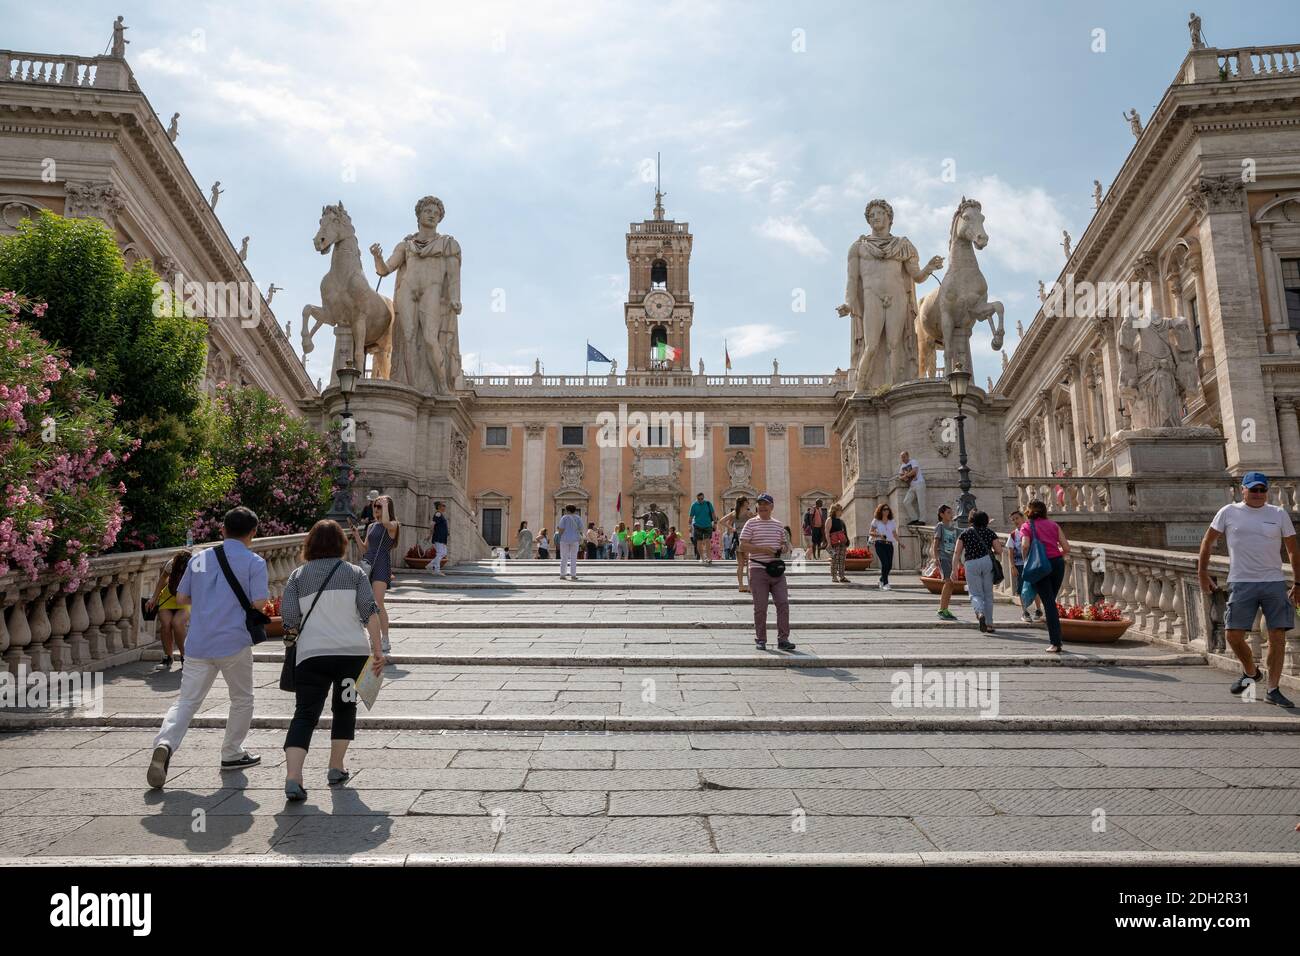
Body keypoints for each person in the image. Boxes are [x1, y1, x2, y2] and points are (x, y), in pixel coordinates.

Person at [147, 507, 265, 789]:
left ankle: (165, 743)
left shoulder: (199, 559)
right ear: (253, 533)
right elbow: (259, 604)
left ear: (222, 530)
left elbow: (183, 596)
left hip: (198, 642)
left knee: (186, 701)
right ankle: (232, 753)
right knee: (242, 698)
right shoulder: (254, 562)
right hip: (233, 641)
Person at [280, 520, 385, 802]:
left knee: (304, 714)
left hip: (311, 655)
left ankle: (294, 777)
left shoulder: (298, 576)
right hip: (352, 655)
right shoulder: (354, 573)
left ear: (309, 545)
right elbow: (370, 612)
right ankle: (336, 768)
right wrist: (378, 650)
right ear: (342, 544)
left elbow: (289, 618)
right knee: (345, 707)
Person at [1198, 472, 1298, 707]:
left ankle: (1273, 689)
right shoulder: (1228, 512)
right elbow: (1208, 541)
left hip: (1274, 582)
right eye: (1253, 490)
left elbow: (1293, 549)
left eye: (1262, 490)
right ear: (1242, 490)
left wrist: (1298, 582)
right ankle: (1252, 672)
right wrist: (1202, 572)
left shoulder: (1278, 513)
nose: (1258, 494)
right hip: (1241, 582)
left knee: (1277, 636)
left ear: (1267, 491)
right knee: (1232, 634)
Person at [739, 493, 795, 651]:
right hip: (757, 569)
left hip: (776, 570)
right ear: (757, 507)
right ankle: (761, 639)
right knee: (760, 606)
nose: (762, 506)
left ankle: (783, 639)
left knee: (783, 603)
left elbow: (785, 545)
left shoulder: (778, 525)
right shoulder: (750, 524)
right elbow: (743, 545)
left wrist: (782, 548)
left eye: (766, 504)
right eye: (760, 504)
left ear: (772, 506)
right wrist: (763, 549)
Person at [1020, 499, 1070, 653]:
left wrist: (1025, 560)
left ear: (1029, 511)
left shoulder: (1027, 526)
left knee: (1048, 604)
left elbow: (1025, 545)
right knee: (1050, 602)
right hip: (1057, 563)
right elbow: (1066, 547)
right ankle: (1056, 639)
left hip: (1039, 565)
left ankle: (1056, 642)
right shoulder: (1053, 525)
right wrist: (1056, 555)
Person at [353, 495, 398, 654]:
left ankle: (385, 639)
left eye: (379, 506)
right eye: (375, 506)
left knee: (378, 603)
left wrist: (385, 504)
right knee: (368, 603)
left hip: (381, 564)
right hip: (368, 563)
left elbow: (386, 523)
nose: (376, 509)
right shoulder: (371, 527)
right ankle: (374, 638)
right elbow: (365, 549)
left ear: (387, 508)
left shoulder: (393, 525)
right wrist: (357, 535)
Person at [952, 510, 1003, 633]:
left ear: (971, 520)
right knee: (988, 595)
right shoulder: (990, 532)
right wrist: (991, 552)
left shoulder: (965, 533)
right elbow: (999, 550)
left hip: (971, 563)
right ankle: (989, 624)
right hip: (986, 561)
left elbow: (957, 552)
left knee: (975, 593)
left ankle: (980, 613)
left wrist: (954, 570)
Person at [146, 548, 192, 671]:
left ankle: (185, 657)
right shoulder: (171, 564)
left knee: (177, 623)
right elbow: (162, 578)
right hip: (168, 598)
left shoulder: (196, 565)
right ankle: (168, 657)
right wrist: (154, 598)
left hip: (185, 599)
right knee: (165, 625)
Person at [1007, 509, 1044, 623]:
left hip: (1032, 563)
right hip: (1020, 565)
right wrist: (1012, 566)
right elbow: (1010, 551)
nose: (1015, 521)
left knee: (1035, 586)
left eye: (1017, 518)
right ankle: (1025, 611)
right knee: (1021, 588)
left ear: (1023, 518)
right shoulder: (1013, 535)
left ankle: (1038, 609)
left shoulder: (1031, 530)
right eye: (1013, 520)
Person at [933, 505, 960, 621]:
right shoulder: (940, 526)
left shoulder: (953, 528)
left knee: (951, 584)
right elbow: (935, 543)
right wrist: (936, 558)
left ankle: (945, 609)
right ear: (942, 514)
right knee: (948, 582)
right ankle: (941, 609)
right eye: (948, 512)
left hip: (951, 558)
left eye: (951, 512)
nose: (951, 514)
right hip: (943, 557)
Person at [720, 496, 752, 593]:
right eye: (747, 501)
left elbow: (721, 521)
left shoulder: (735, 513)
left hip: (738, 539)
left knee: (740, 565)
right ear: (744, 503)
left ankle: (741, 586)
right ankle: (750, 586)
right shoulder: (748, 513)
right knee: (749, 564)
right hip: (747, 539)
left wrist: (731, 528)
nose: (748, 503)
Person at [869, 503, 898, 590]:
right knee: (885, 563)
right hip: (879, 544)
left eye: (888, 509)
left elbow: (894, 533)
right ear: (880, 511)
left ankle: (881, 579)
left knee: (889, 565)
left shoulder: (892, 521)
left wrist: (900, 542)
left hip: (889, 544)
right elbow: (870, 532)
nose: (886, 511)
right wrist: (879, 535)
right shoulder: (876, 521)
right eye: (884, 509)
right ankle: (885, 584)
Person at [899, 451, 926, 526]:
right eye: (901, 457)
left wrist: (905, 476)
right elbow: (900, 476)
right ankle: (914, 519)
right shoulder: (902, 466)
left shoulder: (913, 461)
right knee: (906, 502)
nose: (903, 459)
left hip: (919, 483)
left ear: (908, 456)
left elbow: (914, 471)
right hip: (912, 486)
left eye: (904, 457)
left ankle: (922, 520)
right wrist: (904, 476)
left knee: (921, 502)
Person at [557, 504, 583, 580]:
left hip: (564, 539)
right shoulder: (578, 518)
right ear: (574, 510)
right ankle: (573, 575)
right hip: (575, 539)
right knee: (574, 557)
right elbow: (581, 528)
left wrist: (559, 536)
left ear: (567, 510)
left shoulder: (564, 518)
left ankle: (562, 574)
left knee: (564, 557)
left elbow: (561, 529)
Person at [689, 491, 717, 564]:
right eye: (699, 499)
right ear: (697, 498)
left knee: (707, 541)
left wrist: (715, 523)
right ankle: (701, 557)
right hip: (697, 525)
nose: (700, 500)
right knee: (699, 542)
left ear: (703, 498)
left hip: (708, 525)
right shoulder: (694, 505)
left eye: (701, 499)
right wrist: (689, 526)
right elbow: (691, 517)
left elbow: (713, 514)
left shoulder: (708, 504)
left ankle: (709, 557)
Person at [827, 503, 850, 583]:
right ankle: (834, 576)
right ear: (835, 511)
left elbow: (844, 532)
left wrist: (847, 541)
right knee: (834, 560)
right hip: (834, 544)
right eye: (840, 510)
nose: (841, 511)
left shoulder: (841, 521)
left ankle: (842, 576)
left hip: (842, 543)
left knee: (842, 560)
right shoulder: (829, 520)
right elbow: (827, 533)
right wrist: (829, 543)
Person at [430, 500, 449, 576]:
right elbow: (432, 524)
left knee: (444, 553)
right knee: (440, 553)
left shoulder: (440, 514)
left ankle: (431, 565)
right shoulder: (438, 514)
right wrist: (430, 534)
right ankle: (436, 570)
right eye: (443, 505)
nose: (444, 507)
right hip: (439, 536)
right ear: (439, 507)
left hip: (442, 537)